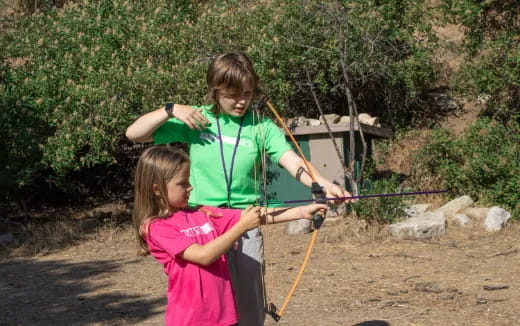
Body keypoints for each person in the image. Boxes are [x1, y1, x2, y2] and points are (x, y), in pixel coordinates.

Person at [126, 51, 350, 325]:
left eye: (248, 92)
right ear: (216, 91)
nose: (242, 101)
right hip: (201, 225)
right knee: (208, 306)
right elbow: (134, 134)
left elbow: (292, 161)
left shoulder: (261, 126)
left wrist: (324, 185)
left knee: (249, 310)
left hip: (246, 222)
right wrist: (171, 109)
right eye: (233, 94)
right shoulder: (198, 120)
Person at [133, 146, 328, 326]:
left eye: (189, 181)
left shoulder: (201, 213)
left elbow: (255, 216)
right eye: (182, 184)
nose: (190, 187)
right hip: (191, 319)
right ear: (157, 190)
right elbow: (203, 256)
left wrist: (301, 212)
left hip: (225, 315)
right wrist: (241, 227)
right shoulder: (157, 227)